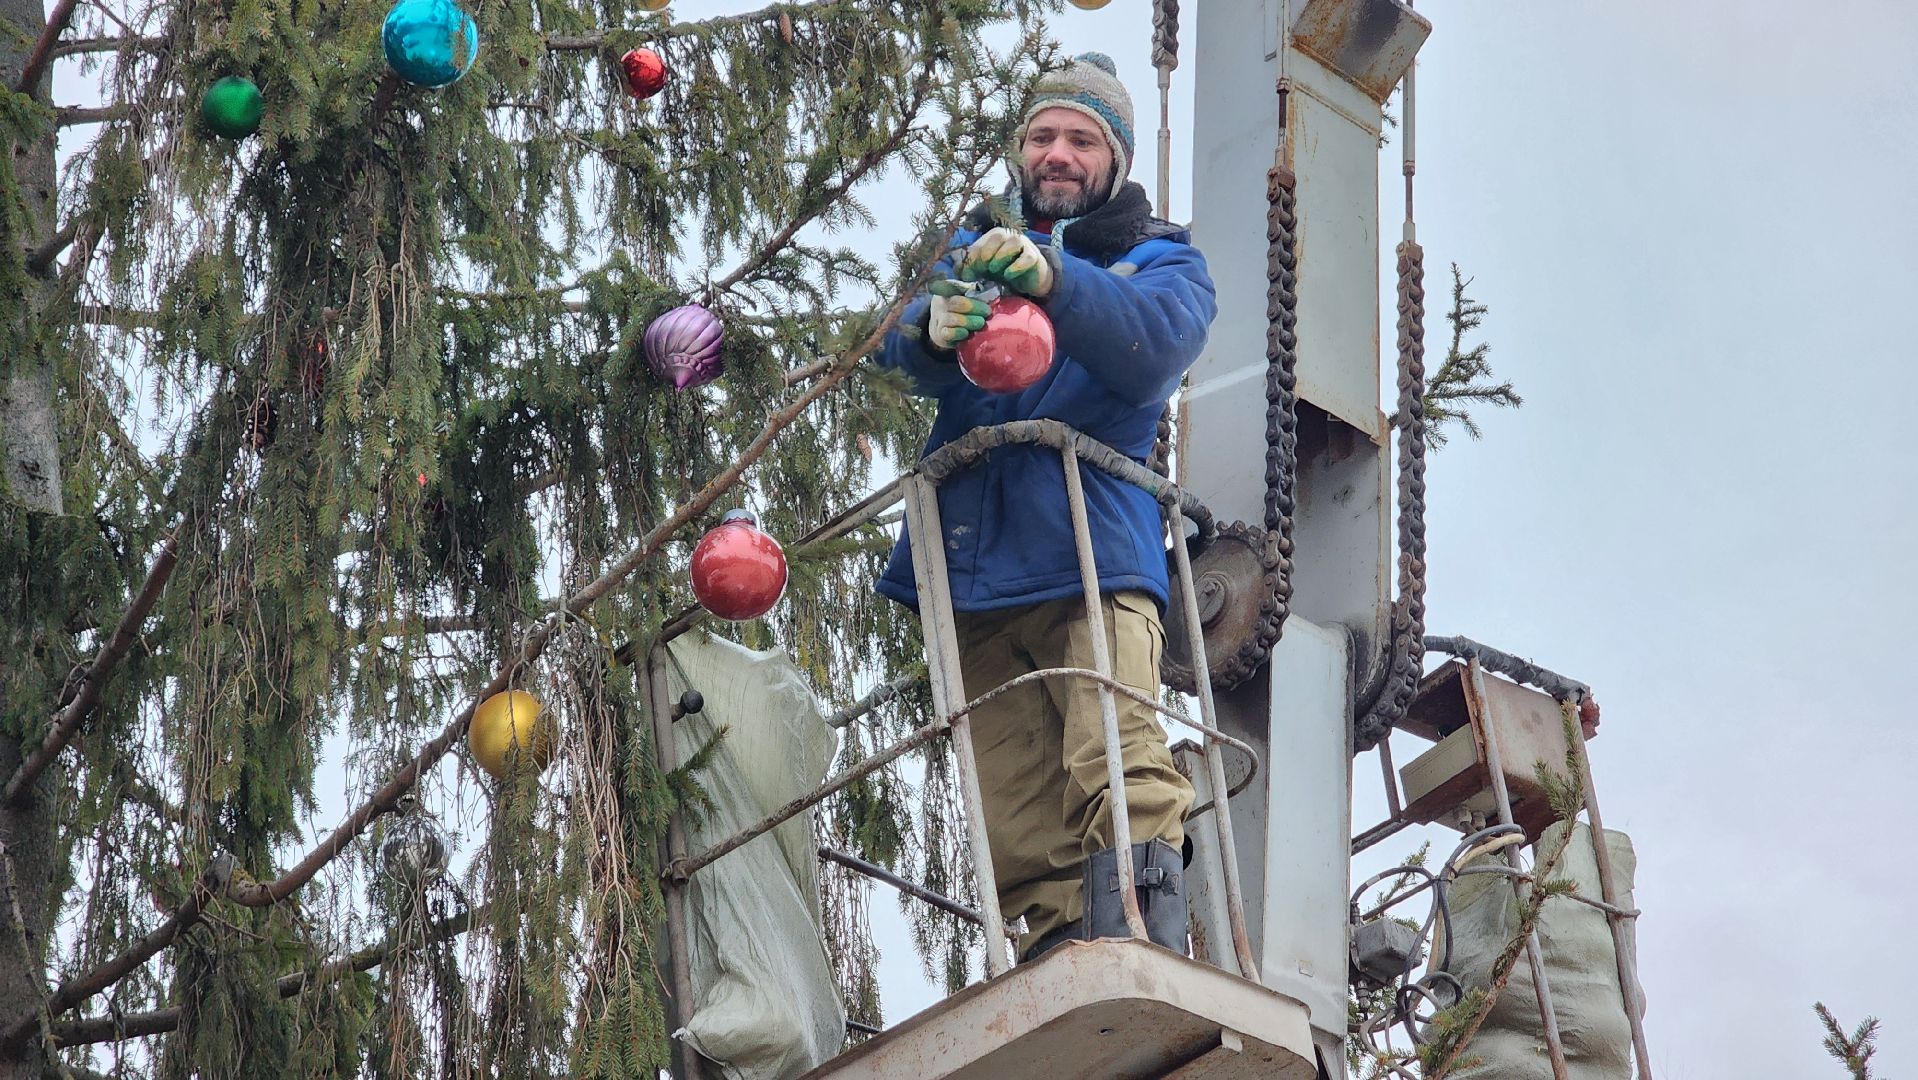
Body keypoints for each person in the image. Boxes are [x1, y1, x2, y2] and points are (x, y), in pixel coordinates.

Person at [874, 53, 1217, 962]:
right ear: (1021, 150)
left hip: (1090, 560)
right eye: (1041, 135)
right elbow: (892, 341)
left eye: (1080, 138)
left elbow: (1151, 347)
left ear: (1116, 158)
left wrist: (1055, 282)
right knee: (1012, 800)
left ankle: (1146, 942)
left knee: (1113, 757)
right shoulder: (977, 246)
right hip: (976, 576)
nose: (1057, 153)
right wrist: (926, 332)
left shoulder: (1161, 258)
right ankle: (1063, 951)